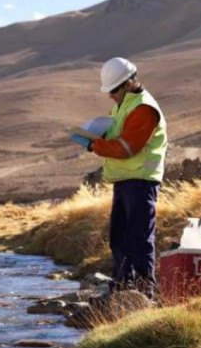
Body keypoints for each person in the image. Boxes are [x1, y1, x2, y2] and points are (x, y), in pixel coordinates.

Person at [71, 58, 167, 297]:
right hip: (125, 181)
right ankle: (122, 290)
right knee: (120, 239)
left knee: (138, 238)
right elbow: (117, 138)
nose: (110, 95)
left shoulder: (144, 108)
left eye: (113, 90)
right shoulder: (123, 106)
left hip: (141, 181)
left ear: (129, 83)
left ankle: (145, 293)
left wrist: (95, 145)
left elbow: (127, 148)